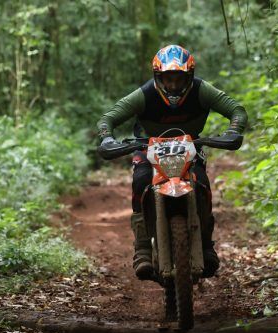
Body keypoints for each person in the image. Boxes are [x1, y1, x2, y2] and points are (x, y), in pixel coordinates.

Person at [97, 44, 247, 281]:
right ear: (158, 77)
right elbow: (109, 118)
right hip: (148, 147)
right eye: (168, 79)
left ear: (190, 76)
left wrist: (234, 130)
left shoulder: (201, 90)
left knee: (203, 185)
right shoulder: (145, 94)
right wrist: (107, 137)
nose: (173, 85)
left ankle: (206, 245)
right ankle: (143, 248)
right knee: (141, 181)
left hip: (190, 148)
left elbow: (236, 109)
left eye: (179, 78)